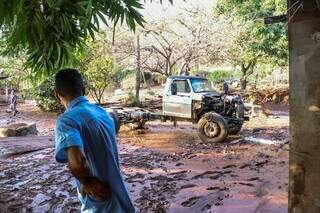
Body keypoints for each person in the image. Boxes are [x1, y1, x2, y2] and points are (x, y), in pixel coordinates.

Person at [54, 69, 135, 213]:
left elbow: (77, 163)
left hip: (100, 200)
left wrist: (87, 182)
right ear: (83, 89)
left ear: (57, 94)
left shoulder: (66, 121)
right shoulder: (103, 113)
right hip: (121, 198)